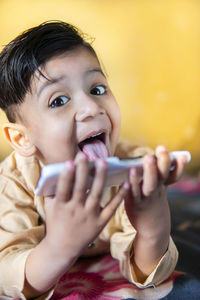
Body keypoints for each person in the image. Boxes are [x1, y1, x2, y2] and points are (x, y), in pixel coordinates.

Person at [0, 21, 187, 299]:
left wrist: (152, 227)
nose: (91, 108)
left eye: (97, 90)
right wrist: (59, 247)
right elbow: (6, 274)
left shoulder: (134, 168)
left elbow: (149, 274)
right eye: (58, 101)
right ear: (22, 140)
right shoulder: (14, 182)